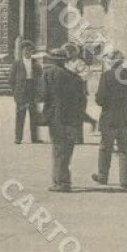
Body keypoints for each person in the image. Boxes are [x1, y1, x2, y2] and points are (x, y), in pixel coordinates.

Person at [91, 51, 127, 190]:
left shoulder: (106, 76)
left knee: (105, 148)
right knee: (124, 149)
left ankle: (103, 176)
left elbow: (100, 98)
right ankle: (124, 180)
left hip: (109, 118)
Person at [41, 47, 87, 192]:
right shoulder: (75, 77)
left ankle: (60, 182)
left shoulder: (48, 74)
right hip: (71, 119)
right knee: (67, 150)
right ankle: (62, 179)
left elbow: (42, 95)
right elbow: (82, 100)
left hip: (56, 118)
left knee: (58, 149)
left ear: (52, 60)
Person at [10, 40, 40, 144]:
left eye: (29, 51)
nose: (27, 52)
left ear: (32, 52)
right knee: (20, 115)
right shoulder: (17, 63)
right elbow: (11, 79)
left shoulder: (36, 63)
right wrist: (15, 92)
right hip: (21, 92)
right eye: (25, 50)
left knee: (34, 115)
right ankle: (18, 138)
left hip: (32, 89)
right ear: (22, 51)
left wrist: (38, 92)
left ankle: (34, 138)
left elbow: (40, 77)